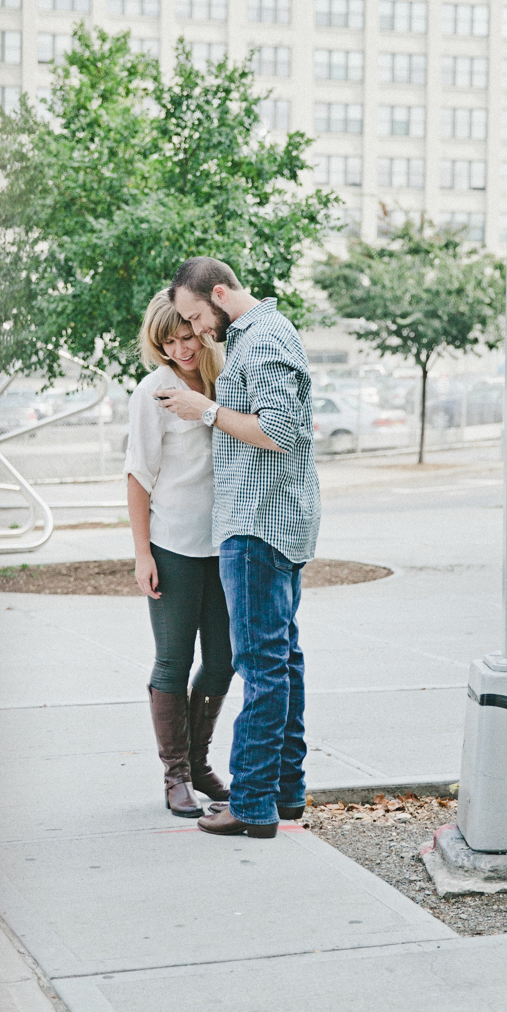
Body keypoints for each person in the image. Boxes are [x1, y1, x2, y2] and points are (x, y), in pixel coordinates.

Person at [156, 257, 320, 840]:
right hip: (269, 521)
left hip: (258, 524)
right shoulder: (258, 336)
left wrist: (204, 410)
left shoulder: (266, 339)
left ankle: (251, 803)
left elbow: (277, 433)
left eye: (197, 316)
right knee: (281, 662)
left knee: (261, 666)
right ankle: (283, 792)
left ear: (220, 294)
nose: (198, 331)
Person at [124, 291, 234, 818]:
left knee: (222, 661)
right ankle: (176, 776)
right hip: (172, 546)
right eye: (169, 343)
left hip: (226, 544)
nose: (181, 349)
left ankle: (199, 761)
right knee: (174, 660)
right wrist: (142, 553)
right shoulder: (153, 391)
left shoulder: (222, 378)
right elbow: (138, 475)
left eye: (186, 336)